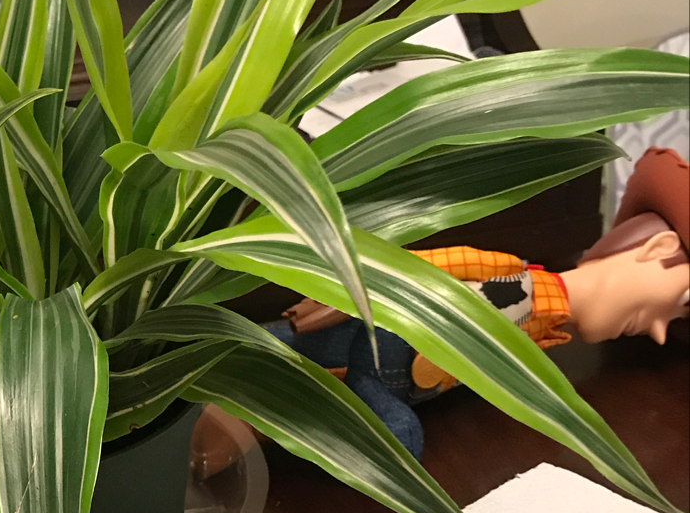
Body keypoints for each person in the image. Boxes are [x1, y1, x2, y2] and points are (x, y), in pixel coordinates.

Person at [268, 148, 690, 459]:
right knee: (265, 354)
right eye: (681, 301)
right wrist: (344, 296)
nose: (658, 330)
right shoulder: (509, 274)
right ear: (658, 248)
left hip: (387, 384)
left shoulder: (547, 338)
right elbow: (416, 268)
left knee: (394, 443)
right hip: (375, 337)